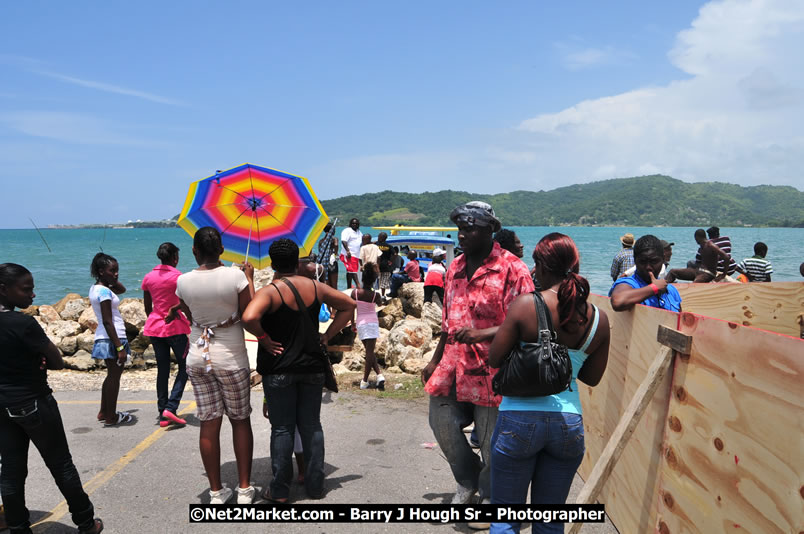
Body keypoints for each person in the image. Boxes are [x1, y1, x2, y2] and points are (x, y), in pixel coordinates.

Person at [487, 234, 610, 534]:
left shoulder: (526, 305)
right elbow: (591, 378)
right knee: (550, 522)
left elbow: (494, 358)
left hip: (519, 419)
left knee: (505, 519)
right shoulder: (598, 318)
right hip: (568, 425)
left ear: (541, 266)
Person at [421, 201, 534, 522]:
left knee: (490, 442)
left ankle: (489, 495)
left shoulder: (513, 269)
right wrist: (434, 358)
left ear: (490, 230)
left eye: (469, 228)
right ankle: (466, 479)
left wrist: (484, 334)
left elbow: (528, 322)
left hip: (492, 370)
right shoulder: (454, 266)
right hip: (451, 366)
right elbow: (448, 320)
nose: (462, 234)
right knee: (441, 424)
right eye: (460, 227)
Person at [242, 238, 355, 503]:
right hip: (312, 366)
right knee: (312, 425)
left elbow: (248, 317)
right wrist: (327, 336)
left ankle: (280, 490)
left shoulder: (270, 291)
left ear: (272, 263)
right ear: (297, 262)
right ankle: (315, 486)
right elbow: (349, 306)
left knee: (282, 429)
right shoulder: (316, 287)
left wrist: (263, 338)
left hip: (279, 368)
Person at [0, 263, 104, 534]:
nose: (32, 295)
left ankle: (18, 527)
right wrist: (40, 360)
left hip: (2, 405)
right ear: (3, 290)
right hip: (33, 402)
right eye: (26, 290)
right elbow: (57, 361)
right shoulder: (22, 322)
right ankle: (85, 522)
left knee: (11, 470)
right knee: (60, 464)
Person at [167, 226, 257, 505]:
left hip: (197, 357)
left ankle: (216, 492)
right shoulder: (236, 276)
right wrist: (250, 279)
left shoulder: (182, 281)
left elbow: (192, 313)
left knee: (209, 422)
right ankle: (244, 489)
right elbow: (249, 314)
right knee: (240, 421)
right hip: (231, 358)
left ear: (194, 251)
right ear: (221, 250)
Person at [141, 242, 190, 428]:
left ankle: (163, 412)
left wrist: (156, 319)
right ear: (175, 258)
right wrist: (175, 309)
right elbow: (186, 301)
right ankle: (172, 406)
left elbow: (148, 306)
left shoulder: (148, 277)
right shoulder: (178, 277)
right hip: (175, 327)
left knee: (163, 369)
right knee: (185, 366)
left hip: (155, 327)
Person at [88, 253, 133, 427]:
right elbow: (108, 320)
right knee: (114, 377)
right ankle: (111, 416)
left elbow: (122, 290)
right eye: (112, 270)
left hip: (106, 337)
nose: (116, 274)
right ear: (100, 271)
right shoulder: (105, 292)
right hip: (113, 337)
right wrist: (120, 347)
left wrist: (111, 279)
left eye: (117, 270)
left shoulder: (96, 288)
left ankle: (104, 411)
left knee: (111, 376)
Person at [610, 235, 683, 312]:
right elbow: (618, 302)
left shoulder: (671, 291)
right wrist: (654, 288)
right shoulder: (629, 284)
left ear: (663, 259)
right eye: (643, 262)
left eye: (654, 261)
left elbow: (679, 319)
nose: (648, 267)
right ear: (635, 260)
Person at [351, 264, 385, 390]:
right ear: (374, 280)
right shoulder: (376, 295)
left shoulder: (355, 293)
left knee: (369, 351)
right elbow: (380, 304)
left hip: (361, 323)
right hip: (373, 322)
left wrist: (352, 323)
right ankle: (379, 375)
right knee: (370, 351)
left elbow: (350, 309)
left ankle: (365, 380)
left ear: (362, 278)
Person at [665, 229, 731, 283]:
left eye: (696, 239)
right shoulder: (701, 247)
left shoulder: (711, 245)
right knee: (673, 272)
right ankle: (663, 288)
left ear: (698, 237)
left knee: (695, 283)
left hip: (708, 273)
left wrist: (723, 274)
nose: (696, 241)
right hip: (698, 271)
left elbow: (726, 257)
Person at [340, 218, 363, 289]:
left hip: (356, 255)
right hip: (348, 255)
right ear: (350, 224)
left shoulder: (359, 232)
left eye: (356, 223)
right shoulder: (347, 231)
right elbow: (344, 241)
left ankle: (348, 287)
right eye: (353, 223)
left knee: (350, 271)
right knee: (353, 270)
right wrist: (347, 251)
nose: (354, 225)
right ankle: (358, 286)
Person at [317, 223, 339, 290]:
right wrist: (335, 254)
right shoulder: (334, 239)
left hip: (323, 264)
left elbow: (320, 252)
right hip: (332, 263)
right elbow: (336, 245)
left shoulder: (321, 241)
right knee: (334, 286)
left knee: (327, 285)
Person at [376, 232, 393, 299]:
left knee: (374, 281)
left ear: (380, 237)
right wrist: (391, 261)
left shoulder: (375, 245)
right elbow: (395, 254)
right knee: (384, 281)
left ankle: (373, 294)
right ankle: (383, 295)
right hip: (386, 266)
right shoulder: (389, 246)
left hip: (376, 265)